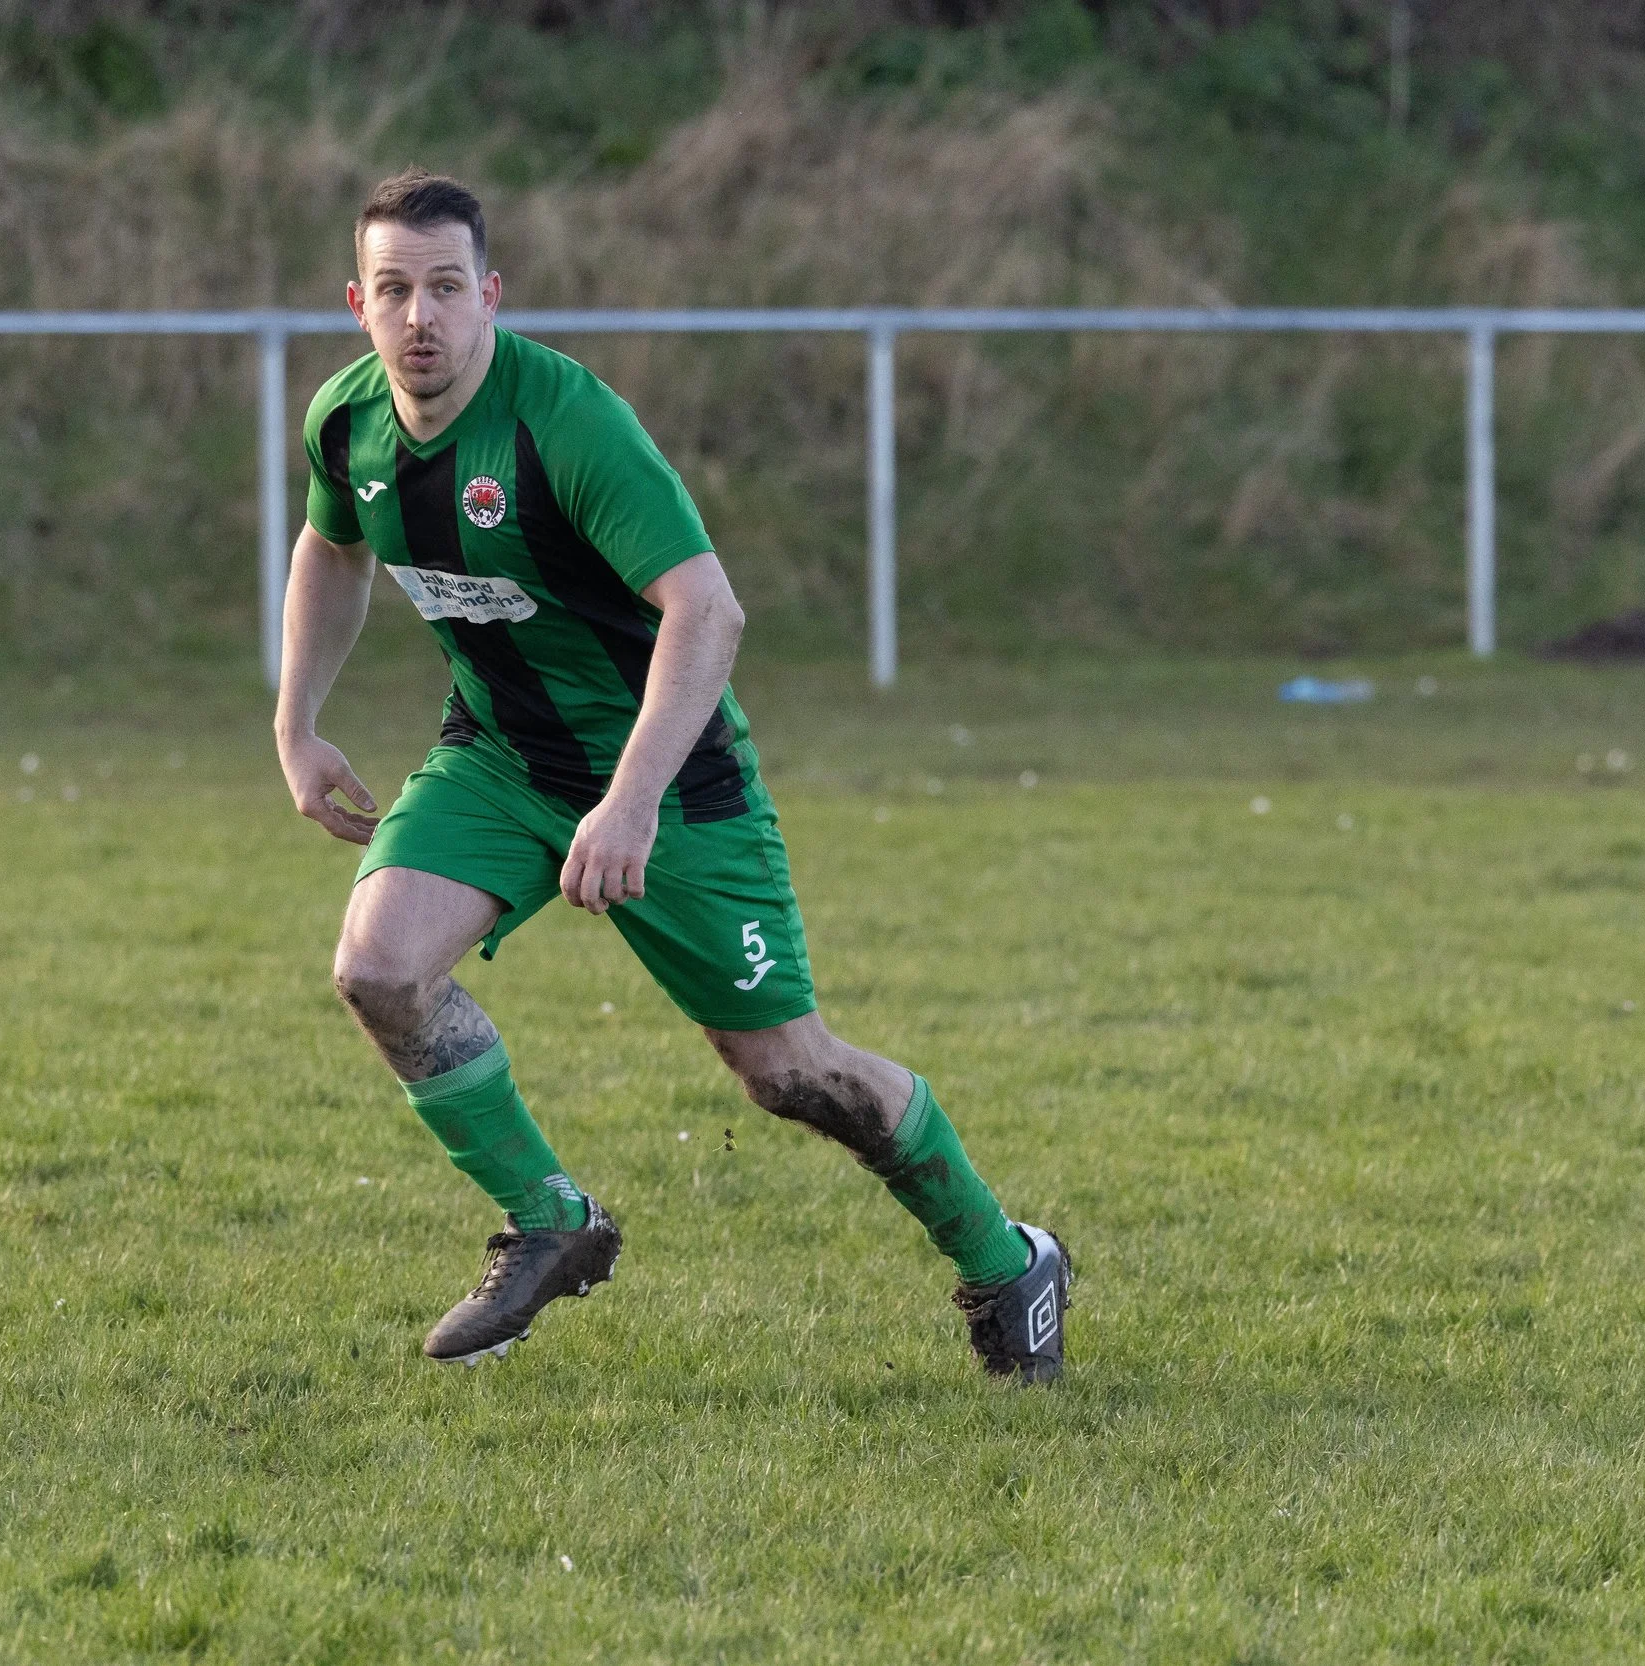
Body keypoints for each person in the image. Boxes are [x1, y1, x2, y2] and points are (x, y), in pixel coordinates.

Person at [273, 168, 1072, 1382]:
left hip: (673, 778)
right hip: (497, 757)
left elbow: (707, 610)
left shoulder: (567, 424)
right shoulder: (346, 422)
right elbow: (332, 548)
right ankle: (550, 1220)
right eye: (395, 290)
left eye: (445, 287)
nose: (421, 316)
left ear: (490, 294)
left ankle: (1007, 1261)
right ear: (358, 303)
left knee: (788, 1073)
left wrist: (631, 797)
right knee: (377, 969)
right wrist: (298, 719)